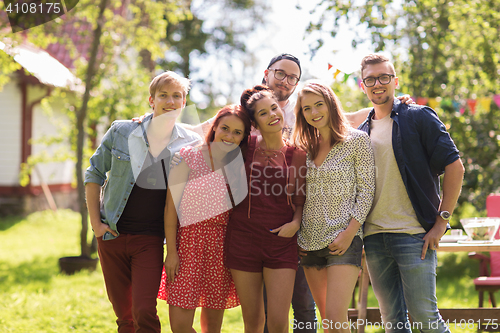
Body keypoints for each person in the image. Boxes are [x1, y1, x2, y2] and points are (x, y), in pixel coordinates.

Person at [84, 71, 202, 333]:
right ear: (152, 99)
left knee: (144, 309)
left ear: (184, 102)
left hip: (150, 238)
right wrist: (96, 225)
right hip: (111, 234)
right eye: (164, 95)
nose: (170, 102)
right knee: (124, 315)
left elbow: (223, 131)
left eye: (177, 96)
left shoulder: (192, 143)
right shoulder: (122, 130)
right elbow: (93, 173)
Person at [356, 54, 464, 332]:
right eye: (370, 79)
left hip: (415, 235)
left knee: (426, 319)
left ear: (395, 81)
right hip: (375, 238)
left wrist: (442, 221)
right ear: (362, 85)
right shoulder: (360, 132)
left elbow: (456, 167)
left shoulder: (418, 117)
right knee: (392, 322)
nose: (377, 83)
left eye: (384, 77)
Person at [158, 105, 251, 333]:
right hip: (186, 245)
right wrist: (171, 252)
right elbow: (171, 208)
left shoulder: (238, 166)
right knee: (180, 326)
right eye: (225, 128)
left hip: (220, 249)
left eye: (237, 132)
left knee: (212, 328)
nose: (229, 136)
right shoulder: (187, 156)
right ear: (214, 127)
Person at [293, 81, 375, 332]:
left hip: (343, 239)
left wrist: (349, 234)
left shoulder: (357, 140)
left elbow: (367, 191)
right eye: (307, 109)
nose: (314, 112)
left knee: (337, 317)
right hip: (308, 241)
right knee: (327, 319)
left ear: (330, 103)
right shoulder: (304, 147)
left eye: (319, 105)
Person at [224, 85, 307, 333]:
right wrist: (155, 118)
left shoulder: (298, 154)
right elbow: (214, 132)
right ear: (254, 123)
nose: (272, 115)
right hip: (242, 239)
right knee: (253, 322)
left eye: (274, 108)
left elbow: (300, 200)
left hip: (280, 242)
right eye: (263, 113)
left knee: (279, 323)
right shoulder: (243, 145)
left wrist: (295, 223)